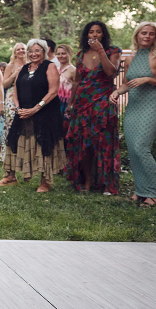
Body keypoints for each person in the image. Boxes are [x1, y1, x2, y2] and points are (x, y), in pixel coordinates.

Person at [110, 22, 156, 206]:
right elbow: (126, 84)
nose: (147, 36)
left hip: (152, 105)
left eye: (151, 34)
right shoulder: (130, 59)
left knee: (141, 148)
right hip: (133, 107)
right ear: (137, 35)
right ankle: (141, 191)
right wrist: (116, 92)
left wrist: (149, 79)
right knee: (132, 150)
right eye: (143, 33)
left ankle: (155, 194)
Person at [0, 39, 66, 192]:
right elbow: (15, 91)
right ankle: (10, 176)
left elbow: (53, 91)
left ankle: (45, 181)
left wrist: (35, 108)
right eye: (31, 51)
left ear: (44, 51)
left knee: (43, 144)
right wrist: (18, 107)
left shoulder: (50, 66)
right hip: (23, 112)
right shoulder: (23, 68)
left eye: (37, 50)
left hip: (45, 112)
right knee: (14, 141)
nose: (33, 54)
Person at [64, 20, 121, 195]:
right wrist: (70, 104)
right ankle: (87, 180)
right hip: (82, 103)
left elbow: (111, 72)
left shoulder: (113, 51)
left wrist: (101, 51)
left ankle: (105, 182)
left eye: (98, 31)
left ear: (103, 34)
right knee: (85, 144)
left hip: (103, 102)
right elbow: (77, 81)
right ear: (86, 35)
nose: (94, 35)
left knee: (103, 143)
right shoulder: (80, 55)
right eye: (91, 32)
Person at [1, 42, 27, 159]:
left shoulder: (31, 64)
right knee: (11, 123)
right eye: (18, 49)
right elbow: (4, 85)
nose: (21, 51)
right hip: (12, 97)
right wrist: (14, 75)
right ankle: (8, 153)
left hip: (26, 97)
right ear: (15, 53)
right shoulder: (11, 65)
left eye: (23, 49)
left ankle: (23, 153)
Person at [55, 43, 75, 125]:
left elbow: (76, 89)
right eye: (58, 54)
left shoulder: (73, 70)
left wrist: (70, 105)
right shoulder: (56, 69)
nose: (60, 56)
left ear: (69, 54)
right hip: (55, 102)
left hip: (66, 103)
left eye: (63, 53)